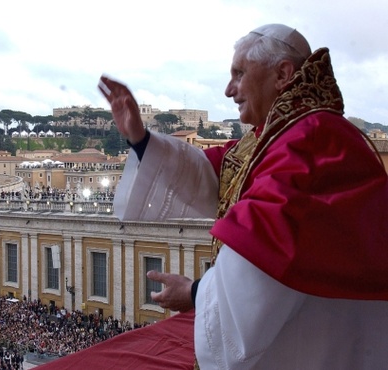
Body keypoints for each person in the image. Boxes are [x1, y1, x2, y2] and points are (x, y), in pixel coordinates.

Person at [98, 23, 388, 369]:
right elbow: (213, 174)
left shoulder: (308, 144)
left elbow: (261, 258)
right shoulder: (284, 134)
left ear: (282, 74)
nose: (228, 89)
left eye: (239, 73)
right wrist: (141, 138)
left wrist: (194, 293)